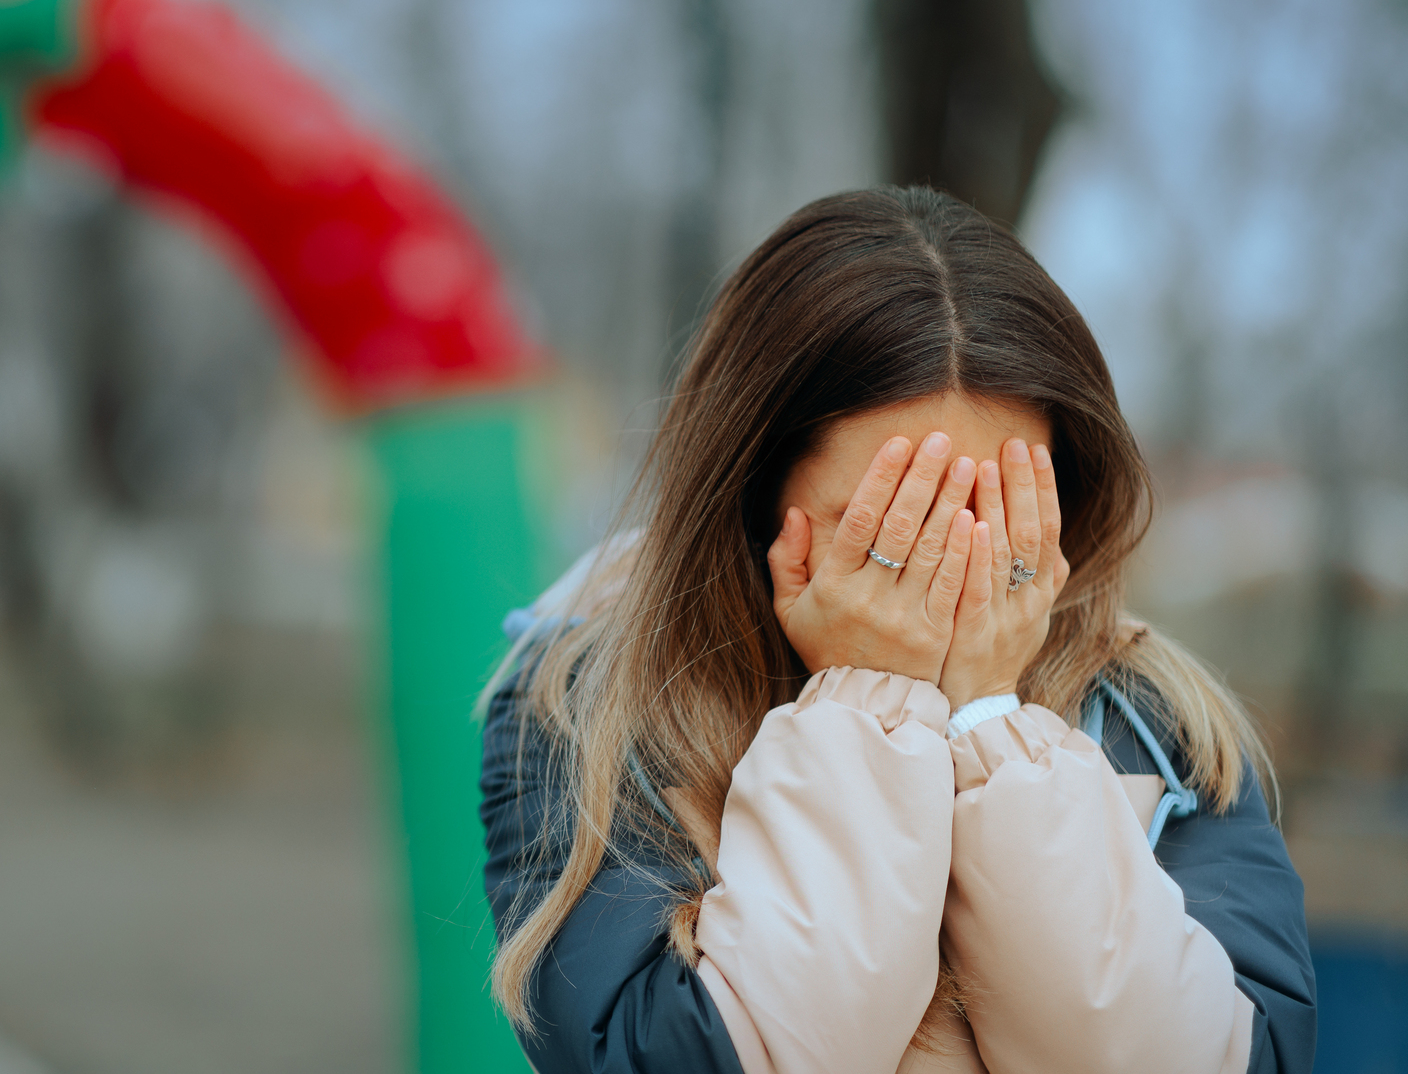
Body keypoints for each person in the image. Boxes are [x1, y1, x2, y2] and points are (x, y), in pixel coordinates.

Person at [481, 186, 1316, 1073]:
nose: (937, 578)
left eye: (984, 520)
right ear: (753, 498)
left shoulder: (1161, 725)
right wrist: (869, 708)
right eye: (885, 528)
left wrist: (992, 727)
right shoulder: (588, 713)